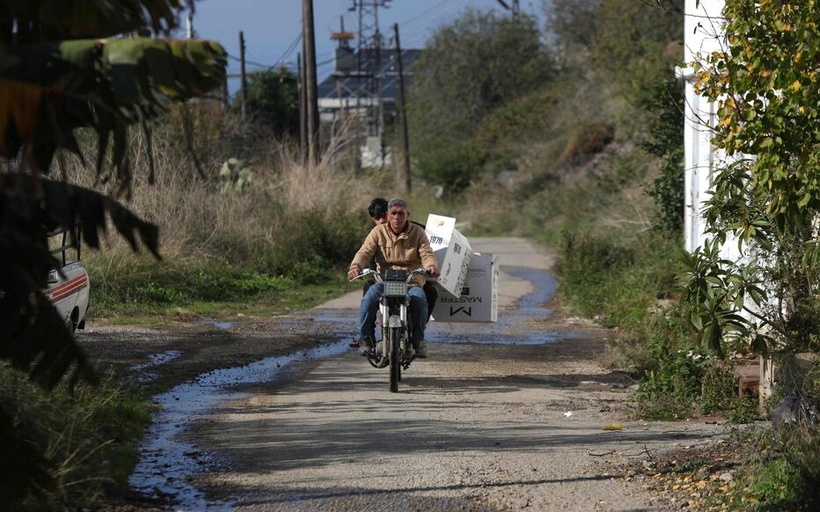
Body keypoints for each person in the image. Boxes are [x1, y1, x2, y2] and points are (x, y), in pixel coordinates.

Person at [348, 198, 439, 358]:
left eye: (401, 213)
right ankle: (366, 340)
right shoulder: (377, 232)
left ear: (407, 214)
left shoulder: (418, 232)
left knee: (420, 300)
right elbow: (365, 252)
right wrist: (355, 266)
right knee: (368, 299)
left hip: (411, 282)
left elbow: (427, 253)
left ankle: (418, 340)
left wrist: (431, 265)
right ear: (388, 215)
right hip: (384, 282)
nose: (397, 217)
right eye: (394, 213)